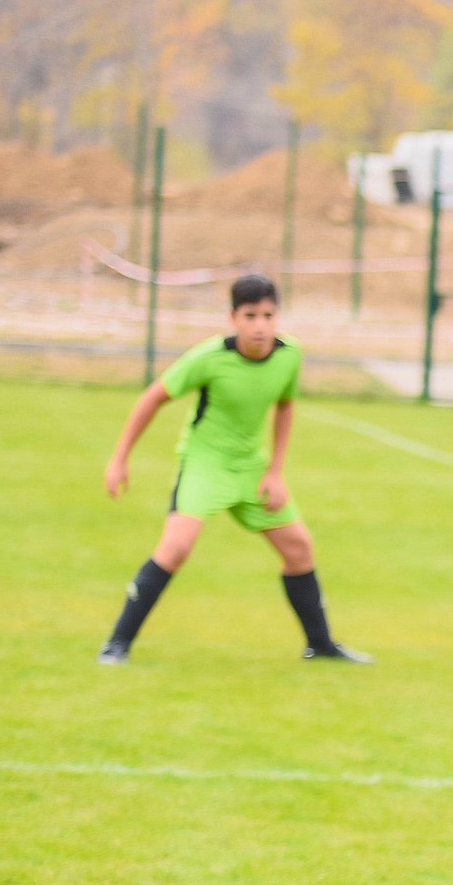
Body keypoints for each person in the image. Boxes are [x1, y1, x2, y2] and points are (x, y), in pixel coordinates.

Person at [97, 273, 369, 665]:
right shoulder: (209, 358)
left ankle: (321, 645)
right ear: (233, 318)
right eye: (250, 316)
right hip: (205, 465)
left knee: (299, 549)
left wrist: (275, 471)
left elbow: (285, 404)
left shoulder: (290, 354)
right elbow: (153, 397)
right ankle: (116, 644)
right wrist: (120, 458)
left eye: (268, 315)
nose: (260, 326)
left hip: (251, 470)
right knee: (175, 549)